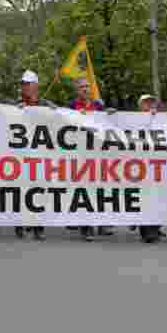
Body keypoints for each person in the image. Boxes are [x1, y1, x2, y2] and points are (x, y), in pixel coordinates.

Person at [68, 77, 113, 239]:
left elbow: (106, 123)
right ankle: (86, 227)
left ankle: (102, 224)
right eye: (82, 87)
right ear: (77, 90)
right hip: (80, 154)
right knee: (84, 190)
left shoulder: (98, 105)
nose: (86, 89)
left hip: (98, 154)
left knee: (101, 189)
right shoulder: (72, 106)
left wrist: (109, 114)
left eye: (87, 86)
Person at [15, 70, 56, 241]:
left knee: (38, 192)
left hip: (40, 157)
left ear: (35, 86)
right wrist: (16, 110)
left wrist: (54, 111)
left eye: (27, 84)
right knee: (20, 191)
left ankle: (38, 227)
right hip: (20, 157)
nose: (24, 87)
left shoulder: (46, 105)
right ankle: (19, 225)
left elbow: (59, 120)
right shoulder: (16, 104)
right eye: (23, 84)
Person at [135, 93, 163, 244]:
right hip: (140, 165)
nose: (150, 105)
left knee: (158, 197)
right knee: (145, 198)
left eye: (152, 102)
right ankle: (147, 231)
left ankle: (155, 227)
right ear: (140, 106)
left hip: (158, 165)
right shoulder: (133, 120)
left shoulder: (162, 119)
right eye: (146, 103)